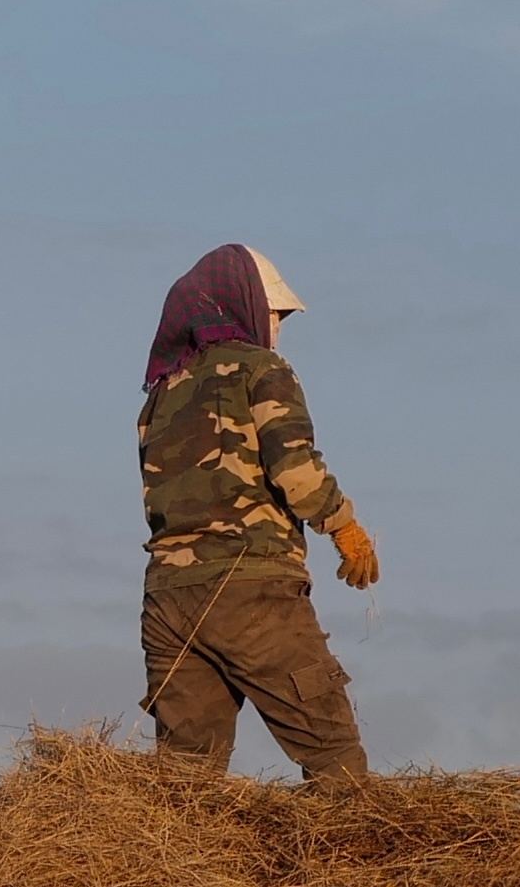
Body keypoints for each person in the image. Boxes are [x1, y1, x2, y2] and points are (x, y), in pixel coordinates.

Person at [138, 243, 377, 790]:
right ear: (239, 304)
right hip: (250, 590)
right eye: (275, 314)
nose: (278, 328)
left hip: (168, 603)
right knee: (336, 758)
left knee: (184, 788)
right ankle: (358, 872)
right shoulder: (261, 369)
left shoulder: (158, 397)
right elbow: (296, 470)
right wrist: (345, 527)